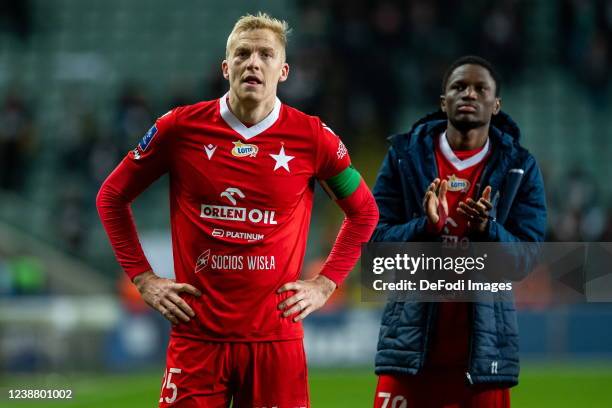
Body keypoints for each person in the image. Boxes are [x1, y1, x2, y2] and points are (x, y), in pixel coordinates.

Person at [96, 12, 378, 407]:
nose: (254, 62)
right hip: (197, 338)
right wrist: (143, 279)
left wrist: (326, 283)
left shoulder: (313, 138)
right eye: (243, 53)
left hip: (275, 342)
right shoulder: (179, 128)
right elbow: (111, 196)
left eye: (266, 54)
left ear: (283, 70)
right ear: (226, 67)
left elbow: (364, 212)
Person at [370, 56, 547, 408]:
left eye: (481, 88)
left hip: (483, 355)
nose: (469, 94)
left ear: (496, 105)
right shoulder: (403, 157)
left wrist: (488, 231)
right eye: (458, 87)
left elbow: (526, 258)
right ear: (443, 101)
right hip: (410, 348)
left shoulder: (520, 168)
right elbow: (375, 243)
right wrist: (425, 227)